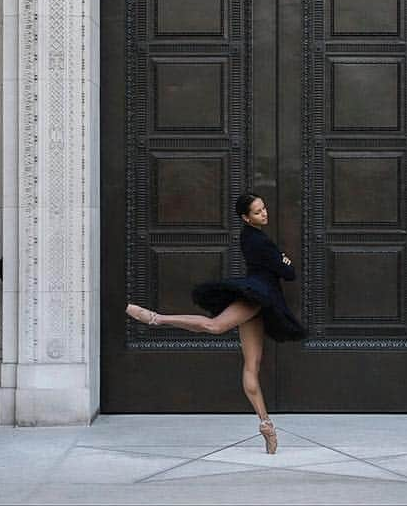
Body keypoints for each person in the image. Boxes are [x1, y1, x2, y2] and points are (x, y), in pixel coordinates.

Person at [126, 192, 306, 454]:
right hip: (258, 295)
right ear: (246, 217)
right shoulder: (258, 241)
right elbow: (288, 272)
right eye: (257, 212)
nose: (264, 213)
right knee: (216, 326)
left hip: (261, 298)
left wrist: (282, 262)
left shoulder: (254, 237)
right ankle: (157, 318)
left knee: (252, 365)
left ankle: (266, 425)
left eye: (264, 208)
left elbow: (285, 270)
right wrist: (283, 259)